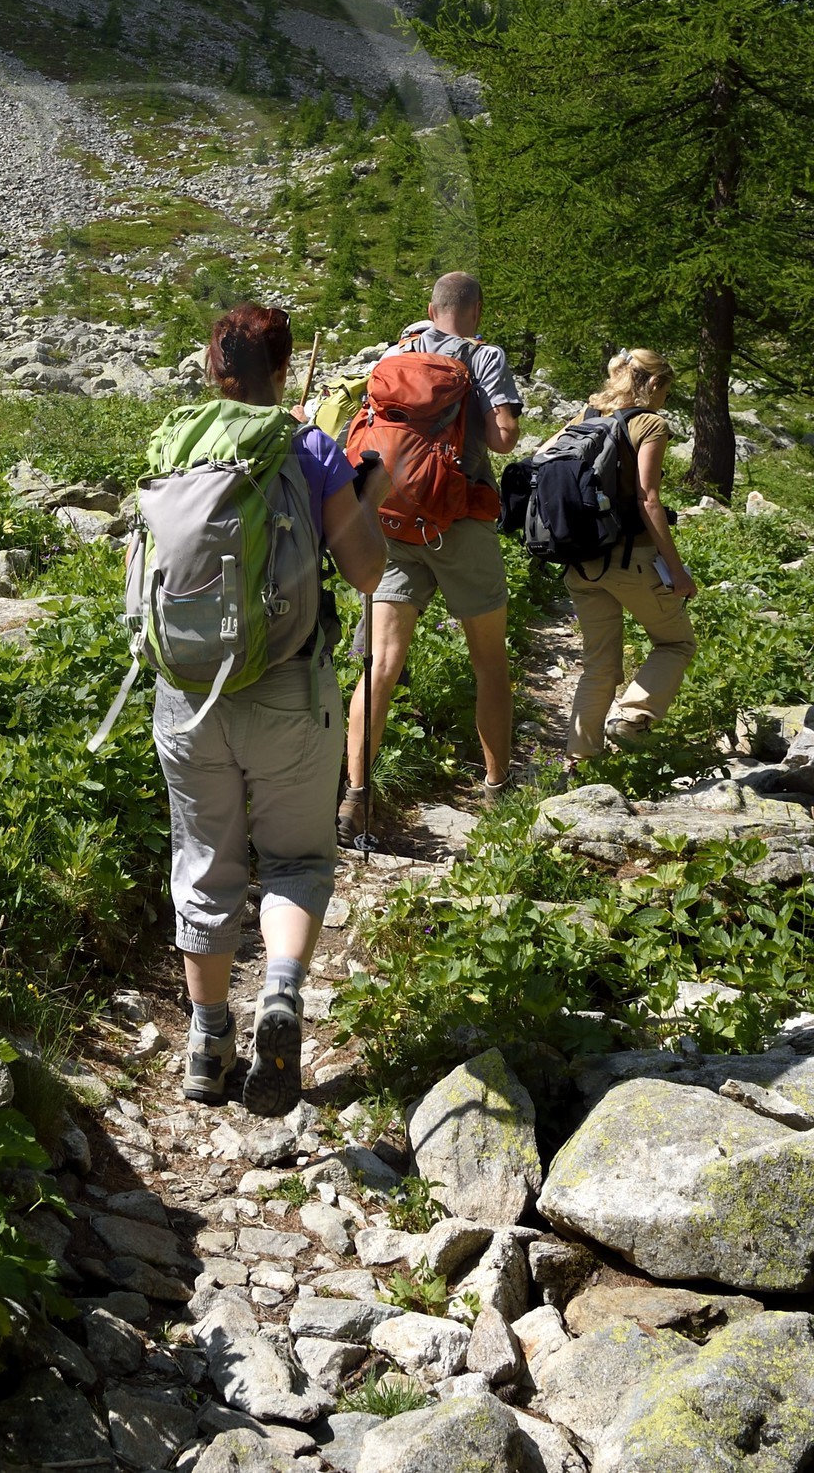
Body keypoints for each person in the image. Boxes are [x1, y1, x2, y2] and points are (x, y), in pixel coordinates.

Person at [153, 302, 391, 1114]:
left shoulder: (173, 441)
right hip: (289, 690)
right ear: (282, 372)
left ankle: (206, 1039)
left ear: (211, 367)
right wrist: (367, 488)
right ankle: (281, 997)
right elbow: (365, 572)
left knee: (204, 865)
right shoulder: (310, 446)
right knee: (295, 860)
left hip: (186, 693)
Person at [339, 272, 522, 839]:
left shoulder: (397, 350)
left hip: (390, 523)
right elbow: (504, 439)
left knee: (380, 666)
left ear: (430, 308)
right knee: (489, 661)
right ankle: (496, 793)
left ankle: (355, 798)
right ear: (477, 310)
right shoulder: (484, 357)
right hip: (458, 522)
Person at [561, 349, 697, 765]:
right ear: (654, 384)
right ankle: (632, 717)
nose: (664, 400)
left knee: (598, 666)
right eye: (665, 391)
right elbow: (648, 499)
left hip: (581, 561)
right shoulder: (649, 423)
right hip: (631, 560)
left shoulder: (584, 416)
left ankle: (580, 762)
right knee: (676, 642)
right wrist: (676, 570)